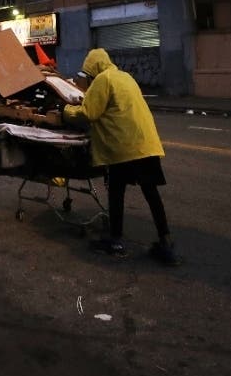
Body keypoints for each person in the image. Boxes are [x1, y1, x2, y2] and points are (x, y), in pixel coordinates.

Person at [62, 48, 180, 265]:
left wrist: (66, 110)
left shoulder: (102, 80)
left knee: (116, 192)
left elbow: (89, 113)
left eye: (88, 75)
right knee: (151, 193)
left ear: (93, 70)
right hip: (146, 144)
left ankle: (115, 241)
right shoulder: (125, 77)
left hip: (124, 147)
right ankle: (166, 242)